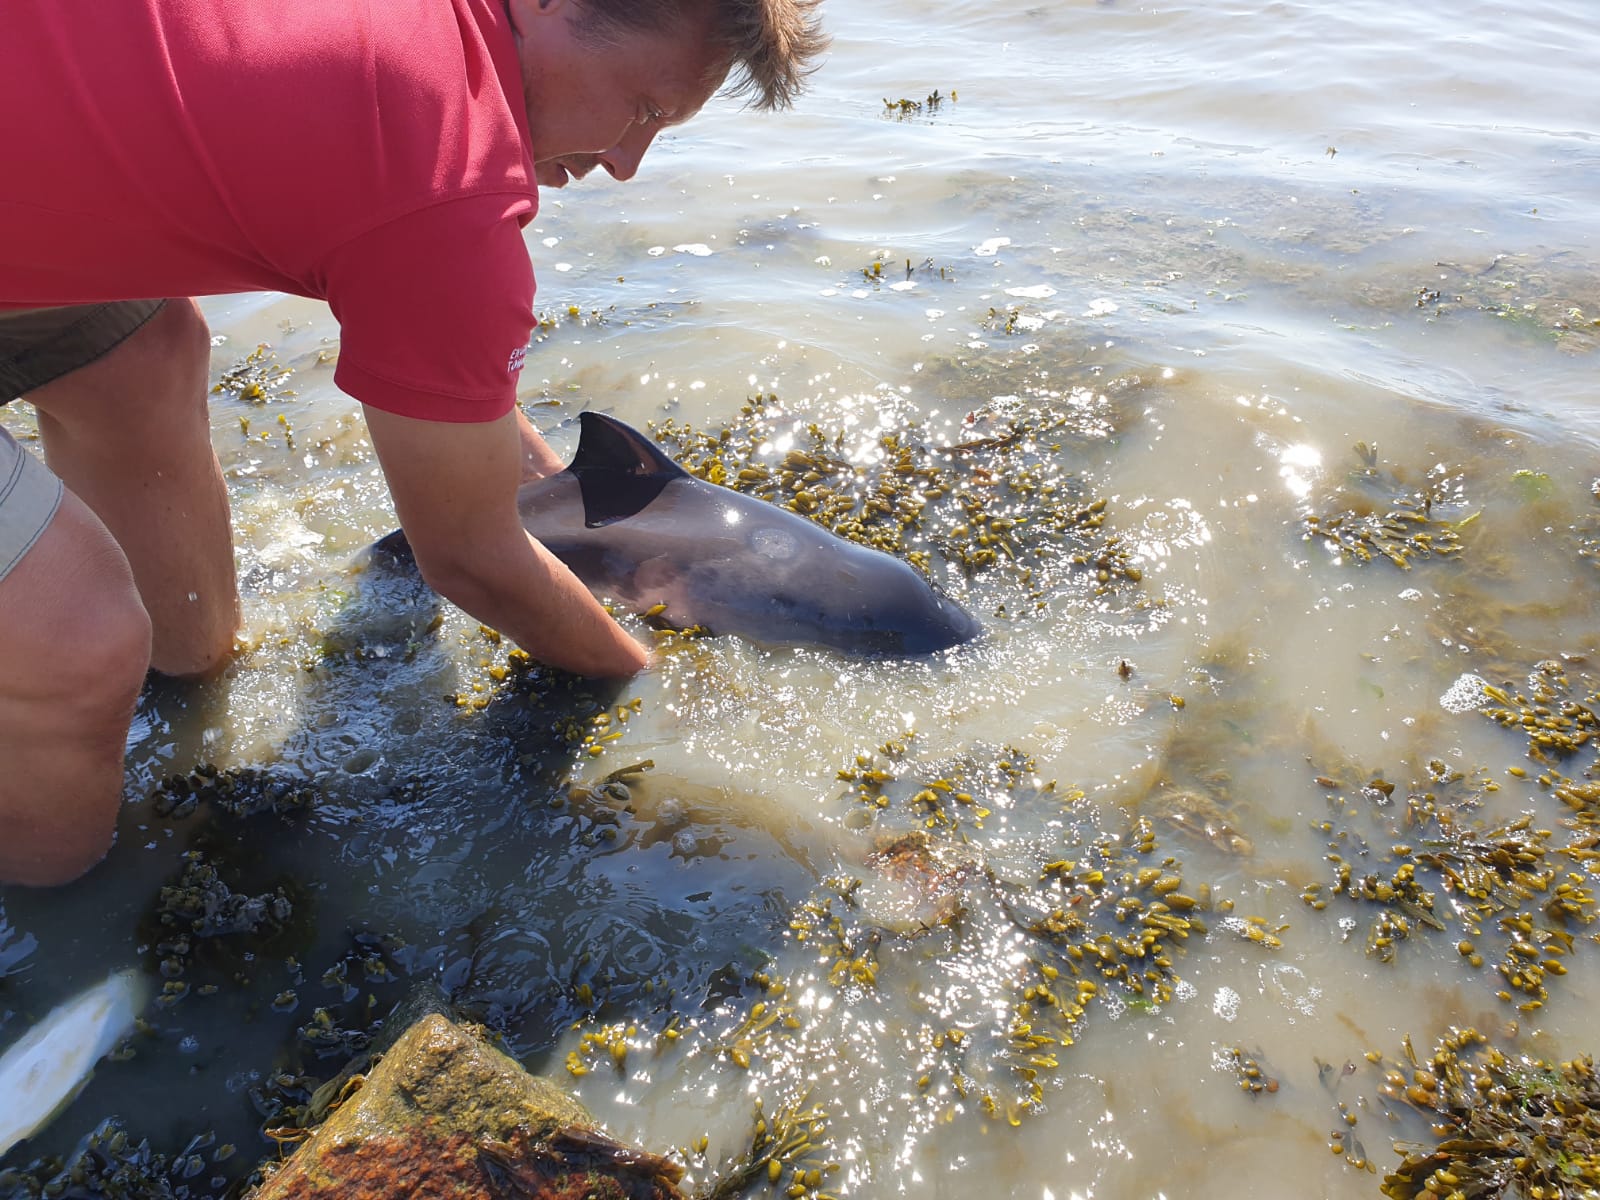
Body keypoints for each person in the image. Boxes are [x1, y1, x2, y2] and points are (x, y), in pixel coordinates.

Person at [0, 0, 827, 887]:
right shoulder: (451, 172)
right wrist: (645, 679)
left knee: (139, 356)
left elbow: (413, 291)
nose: (627, 165)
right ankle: (52, 935)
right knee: (77, 637)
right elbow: (467, 561)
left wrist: (557, 499)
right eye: (645, 111)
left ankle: (173, 692)